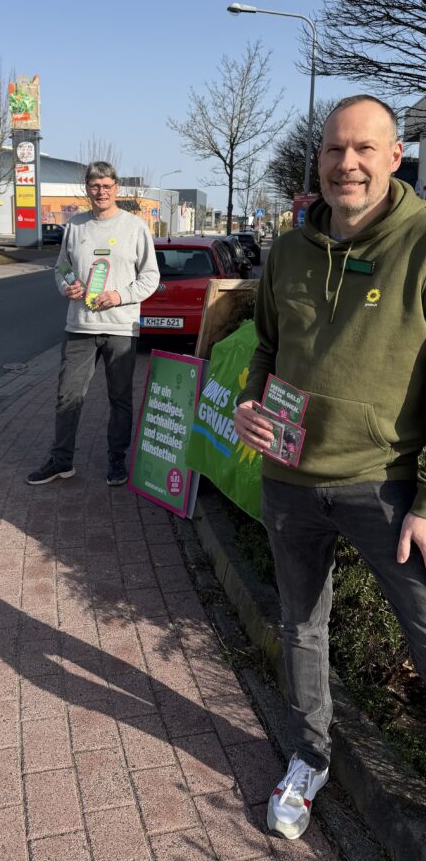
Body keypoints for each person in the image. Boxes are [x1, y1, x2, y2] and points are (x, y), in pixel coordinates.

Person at [234, 95, 426, 840]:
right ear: (317, 158)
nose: (347, 163)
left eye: (364, 149)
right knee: (302, 627)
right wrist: (252, 403)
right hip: (289, 480)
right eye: (334, 150)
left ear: (395, 156)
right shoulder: (288, 250)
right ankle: (307, 757)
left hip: (387, 485)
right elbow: (267, 350)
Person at [27, 161, 159, 488]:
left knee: (120, 399)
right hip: (80, 326)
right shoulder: (75, 227)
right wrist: (66, 287)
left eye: (107, 186)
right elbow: (61, 269)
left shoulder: (135, 227)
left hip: (121, 328)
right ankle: (61, 462)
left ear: (117, 188)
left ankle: (117, 461)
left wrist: (119, 296)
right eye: (95, 186)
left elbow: (151, 277)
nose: (101, 192)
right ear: (87, 188)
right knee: (67, 396)